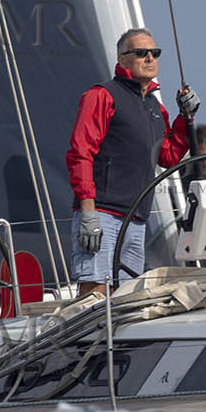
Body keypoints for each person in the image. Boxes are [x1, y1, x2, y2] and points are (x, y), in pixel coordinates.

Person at [67, 27, 197, 295]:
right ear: (122, 59)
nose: (149, 58)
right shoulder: (102, 96)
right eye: (141, 53)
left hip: (136, 218)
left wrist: (184, 119)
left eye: (154, 53)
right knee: (95, 292)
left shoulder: (154, 106)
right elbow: (81, 153)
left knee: (127, 295)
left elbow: (167, 156)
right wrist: (88, 211)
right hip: (101, 213)